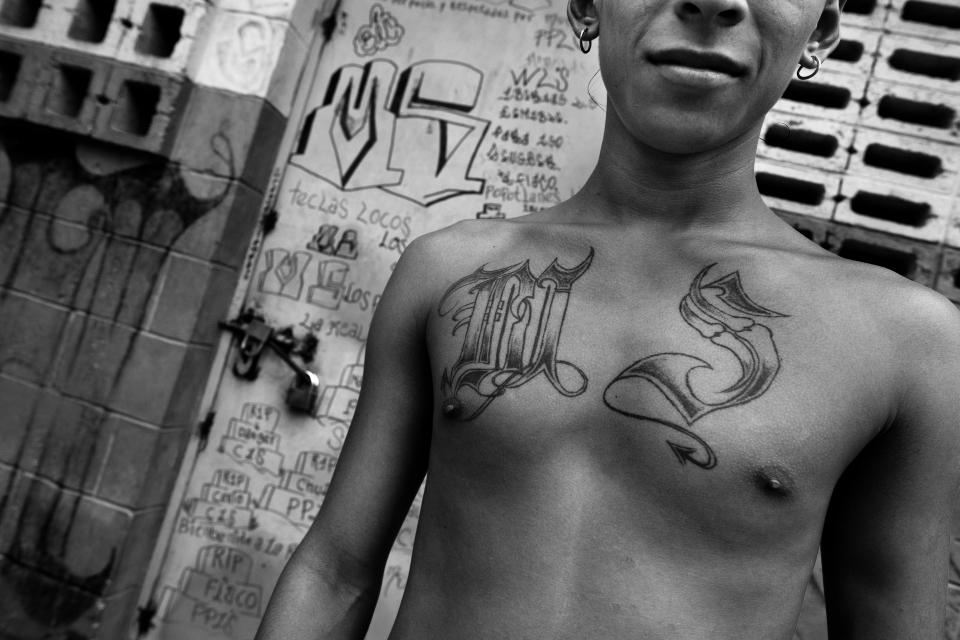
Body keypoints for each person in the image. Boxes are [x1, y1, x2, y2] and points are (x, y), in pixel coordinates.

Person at [256, 0, 960, 637]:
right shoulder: (449, 273)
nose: (713, 2)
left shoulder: (903, 340)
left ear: (823, 30)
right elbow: (336, 569)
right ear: (587, 6)